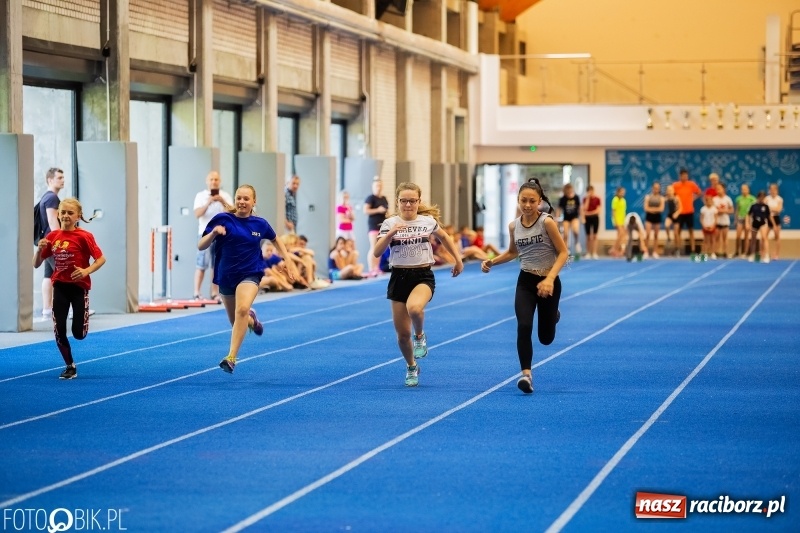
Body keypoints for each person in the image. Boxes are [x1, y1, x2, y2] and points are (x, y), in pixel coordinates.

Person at [480, 178, 568, 394]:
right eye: (523, 201)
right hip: (526, 282)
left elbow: (564, 252)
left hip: (549, 282)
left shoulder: (547, 223)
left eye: (532, 201)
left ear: (539, 202)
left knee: (545, 338)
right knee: (524, 326)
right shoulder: (514, 226)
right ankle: (526, 375)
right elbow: (512, 252)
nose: (527, 205)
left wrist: (549, 279)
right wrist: (492, 261)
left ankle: (552, 315)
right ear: (518, 201)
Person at [199, 184, 299, 374]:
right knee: (237, 320)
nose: (242, 202)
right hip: (226, 275)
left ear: (254, 202)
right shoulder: (222, 219)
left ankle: (230, 358)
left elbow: (276, 239)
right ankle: (252, 321)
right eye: (239, 198)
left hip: (250, 273)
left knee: (242, 309)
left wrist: (288, 260)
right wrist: (213, 233)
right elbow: (201, 245)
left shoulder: (260, 224)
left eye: (246, 199)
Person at [373, 182, 463, 387]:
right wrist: (390, 233)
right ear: (398, 202)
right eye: (403, 201)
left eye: (412, 201)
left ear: (418, 201)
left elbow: (445, 237)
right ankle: (412, 366)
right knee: (402, 336)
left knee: (414, 308)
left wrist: (457, 259)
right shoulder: (389, 223)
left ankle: (420, 335)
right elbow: (377, 253)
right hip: (398, 278)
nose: (408, 205)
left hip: (422, 275)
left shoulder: (427, 221)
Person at [33, 198, 105, 379]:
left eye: (70, 213)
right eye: (63, 212)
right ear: (58, 214)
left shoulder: (84, 236)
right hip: (60, 287)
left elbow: (101, 259)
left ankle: (81, 326)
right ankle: (69, 366)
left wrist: (86, 271)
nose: (65, 216)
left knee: (78, 333)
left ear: (78, 216)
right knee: (59, 330)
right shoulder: (52, 237)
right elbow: (36, 264)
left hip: (79, 288)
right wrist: (38, 250)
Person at [192, 171, 233, 301]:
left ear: (219, 181)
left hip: (221, 235)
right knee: (201, 263)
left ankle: (214, 292)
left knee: (217, 265)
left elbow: (233, 213)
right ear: (207, 181)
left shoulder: (225, 195)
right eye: (211, 179)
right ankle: (196, 292)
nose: (214, 182)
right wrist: (208, 202)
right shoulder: (201, 196)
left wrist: (222, 202)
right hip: (205, 233)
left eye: (216, 179)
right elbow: (197, 214)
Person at [37, 167, 65, 319]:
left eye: (62, 177)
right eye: (59, 178)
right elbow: (53, 221)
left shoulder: (45, 197)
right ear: (50, 180)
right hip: (53, 242)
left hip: (47, 242)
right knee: (65, 273)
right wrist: (61, 241)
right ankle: (73, 308)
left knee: (49, 275)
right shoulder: (52, 198)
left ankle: (47, 309)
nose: (62, 180)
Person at [673, 168, 702, 255]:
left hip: (689, 211)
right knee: (677, 231)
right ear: (680, 176)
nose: (684, 177)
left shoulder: (691, 184)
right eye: (683, 176)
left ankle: (693, 250)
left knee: (691, 231)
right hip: (679, 212)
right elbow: (671, 195)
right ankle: (677, 249)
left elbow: (699, 193)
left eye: (686, 176)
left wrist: (693, 199)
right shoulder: (675, 185)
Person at [364, 178, 389, 274]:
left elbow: (387, 211)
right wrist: (378, 210)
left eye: (380, 185)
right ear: (373, 187)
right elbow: (365, 210)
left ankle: (377, 268)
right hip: (373, 225)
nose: (378, 187)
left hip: (382, 225)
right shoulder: (370, 198)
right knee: (373, 246)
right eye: (376, 186)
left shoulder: (383, 199)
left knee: (380, 247)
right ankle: (371, 268)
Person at [557, 183, 582, 256]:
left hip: (575, 217)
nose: (569, 193)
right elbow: (559, 209)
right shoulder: (563, 199)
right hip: (566, 218)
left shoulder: (576, 197)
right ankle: (566, 250)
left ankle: (577, 242)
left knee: (575, 230)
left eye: (570, 191)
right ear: (565, 192)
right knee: (565, 234)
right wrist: (556, 218)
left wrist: (582, 217)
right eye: (568, 192)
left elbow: (579, 207)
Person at [747, 191, 771, 264]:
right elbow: (749, 215)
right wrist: (748, 223)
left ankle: (766, 255)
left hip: (763, 223)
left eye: (763, 197)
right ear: (758, 197)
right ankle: (752, 254)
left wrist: (771, 225)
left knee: (764, 238)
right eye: (761, 197)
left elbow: (769, 216)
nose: (762, 199)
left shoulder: (766, 206)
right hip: (755, 223)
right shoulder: (753, 205)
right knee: (753, 239)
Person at [734, 183, 756, 258]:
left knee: (746, 236)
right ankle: (737, 252)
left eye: (745, 189)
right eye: (742, 189)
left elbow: (754, 210)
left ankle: (745, 252)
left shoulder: (752, 199)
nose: (744, 191)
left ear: (748, 190)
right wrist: (735, 219)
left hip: (749, 218)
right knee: (738, 236)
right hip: (740, 217)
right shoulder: (738, 199)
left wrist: (751, 220)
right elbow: (737, 209)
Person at [643, 182, 665, 258]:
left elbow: (661, 209)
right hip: (649, 217)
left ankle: (655, 252)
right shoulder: (648, 197)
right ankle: (645, 252)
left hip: (657, 217)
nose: (656, 190)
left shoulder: (661, 198)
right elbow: (646, 208)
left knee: (656, 235)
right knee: (647, 234)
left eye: (658, 188)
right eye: (655, 188)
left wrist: (651, 209)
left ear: (659, 189)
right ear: (652, 188)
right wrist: (656, 209)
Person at [713, 182, 734, 258]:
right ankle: (715, 253)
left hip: (725, 221)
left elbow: (732, 210)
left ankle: (725, 252)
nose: (718, 190)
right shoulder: (714, 199)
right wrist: (717, 212)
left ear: (724, 189)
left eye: (719, 188)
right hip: (717, 221)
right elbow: (712, 210)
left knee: (725, 237)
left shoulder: (727, 199)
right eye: (717, 189)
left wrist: (724, 211)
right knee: (717, 238)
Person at [581, 185, 601, 259]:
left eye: (591, 191)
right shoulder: (585, 199)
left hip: (595, 218)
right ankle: (588, 252)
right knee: (588, 236)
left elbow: (598, 211)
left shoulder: (597, 199)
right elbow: (585, 208)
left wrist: (588, 213)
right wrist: (588, 199)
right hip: (587, 219)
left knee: (595, 236)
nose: (591, 193)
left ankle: (594, 252)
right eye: (589, 191)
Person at [765, 183, 784, 260]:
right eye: (771, 189)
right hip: (768, 218)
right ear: (769, 190)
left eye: (774, 189)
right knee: (764, 236)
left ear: (777, 190)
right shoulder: (766, 198)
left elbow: (779, 210)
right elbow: (765, 209)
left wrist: (770, 208)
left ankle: (776, 254)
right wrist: (773, 208)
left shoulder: (779, 199)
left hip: (776, 218)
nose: (773, 191)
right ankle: (766, 252)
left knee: (777, 237)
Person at [663, 184, 682, 256]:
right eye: (668, 190)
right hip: (670, 215)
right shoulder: (666, 198)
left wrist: (676, 213)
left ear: (673, 191)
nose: (669, 192)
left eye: (671, 190)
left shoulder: (676, 198)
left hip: (676, 215)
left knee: (675, 233)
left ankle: (677, 249)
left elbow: (680, 208)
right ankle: (668, 238)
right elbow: (662, 202)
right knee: (666, 225)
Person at [699, 195, 718, 259]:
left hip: (712, 226)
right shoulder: (703, 209)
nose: (709, 202)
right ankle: (704, 252)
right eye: (708, 201)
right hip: (705, 226)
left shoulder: (714, 209)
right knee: (705, 240)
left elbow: (716, 218)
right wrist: (704, 225)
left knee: (713, 239)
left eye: (710, 201)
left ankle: (713, 253)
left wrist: (713, 226)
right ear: (706, 202)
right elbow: (701, 218)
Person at [610, 187, 627, 257]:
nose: (623, 194)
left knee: (622, 236)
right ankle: (613, 249)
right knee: (621, 235)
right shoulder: (615, 200)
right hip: (617, 220)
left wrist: (624, 221)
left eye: (624, 192)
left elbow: (624, 211)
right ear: (618, 192)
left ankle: (617, 250)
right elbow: (613, 211)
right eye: (621, 192)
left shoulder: (623, 200)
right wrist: (615, 222)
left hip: (622, 221)